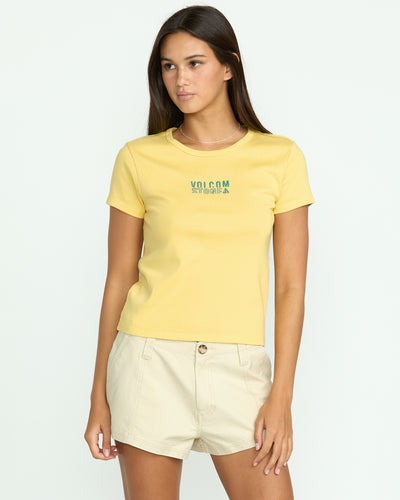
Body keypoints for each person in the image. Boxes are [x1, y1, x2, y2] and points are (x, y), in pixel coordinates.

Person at [84, 5, 315, 500]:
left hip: (239, 369)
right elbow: (119, 278)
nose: (180, 79)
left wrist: (282, 396)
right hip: (148, 363)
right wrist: (98, 394)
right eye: (168, 66)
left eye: (195, 63)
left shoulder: (280, 158)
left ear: (229, 66)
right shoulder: (138, 158)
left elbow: (291, 286)